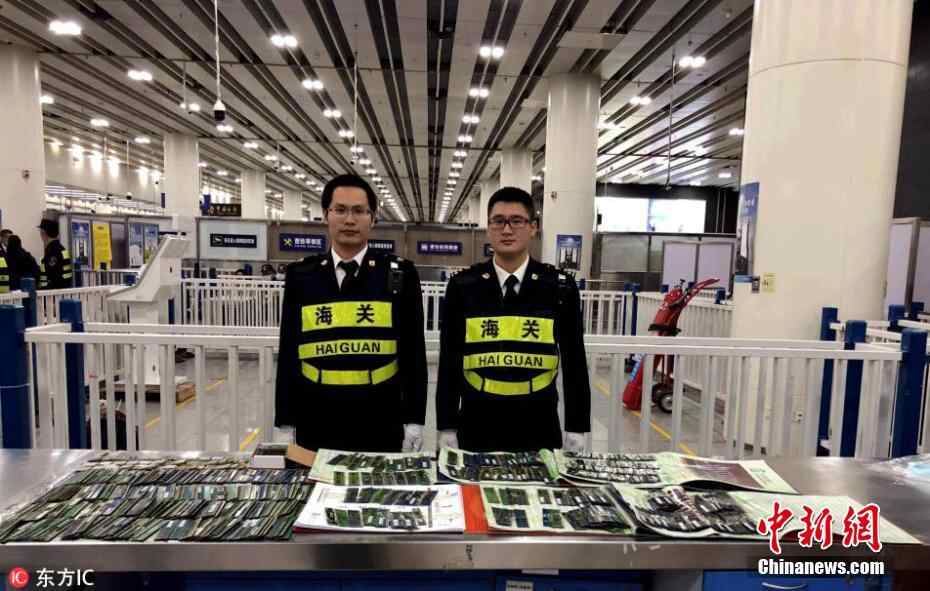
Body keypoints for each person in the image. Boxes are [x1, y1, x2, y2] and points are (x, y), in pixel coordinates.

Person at [275, 174, 427, 452]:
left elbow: (413, 354)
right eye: (340, 210)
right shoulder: (302, 275)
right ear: (326, 215)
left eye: (359, 211)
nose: (349, 220)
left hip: (380, 416)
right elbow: (289, 352)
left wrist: (414, 419)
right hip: (316, 415)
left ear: (373, 218)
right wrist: (285, 422)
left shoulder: (399, 274)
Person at [436, 186, 591, 453]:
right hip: (477, 423)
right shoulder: (463, 286)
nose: (507, 230)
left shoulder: (559, 288)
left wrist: (576, 425)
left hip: (539, 423)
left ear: (533, 228)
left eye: (517, 221)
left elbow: (574, 360)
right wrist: (447, 424)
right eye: (498, 221)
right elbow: (450, 360)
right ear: (488, 228)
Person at [37, 219, 73, 290]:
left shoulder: (52, 251)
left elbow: (51, 273)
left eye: (40, 232)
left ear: (44, 233)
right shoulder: (61, 248)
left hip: (54, 292)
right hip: (64, 289)